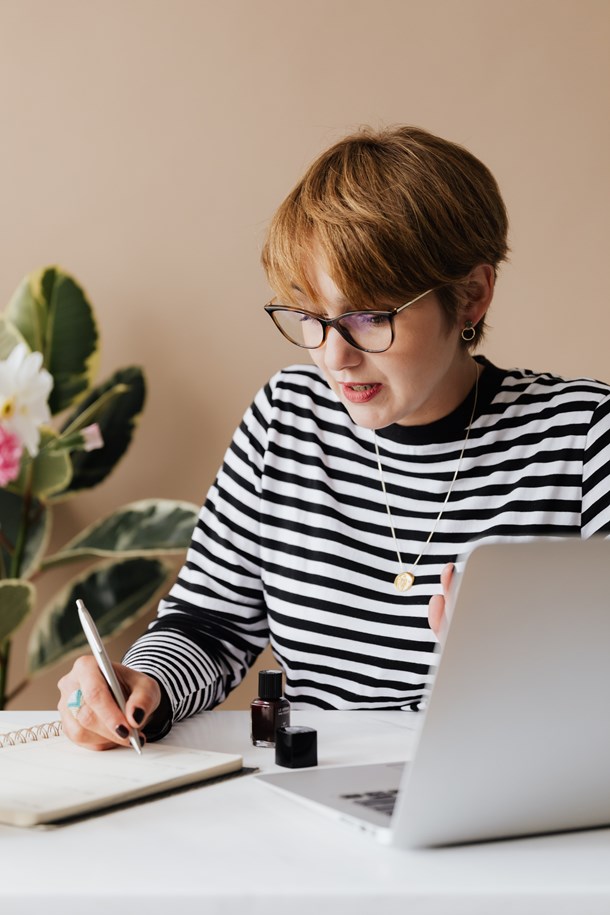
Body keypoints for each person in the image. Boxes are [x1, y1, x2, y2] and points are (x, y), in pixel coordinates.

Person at [58, 125, 610, 750]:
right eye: (312, 318)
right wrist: (141, 683)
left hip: (511, 801)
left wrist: (523, 660)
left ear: (473, 296)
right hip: (318, 803)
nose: (334, 356)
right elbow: (210, 624)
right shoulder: (286, 417)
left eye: (369, 318)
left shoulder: (584, 437)